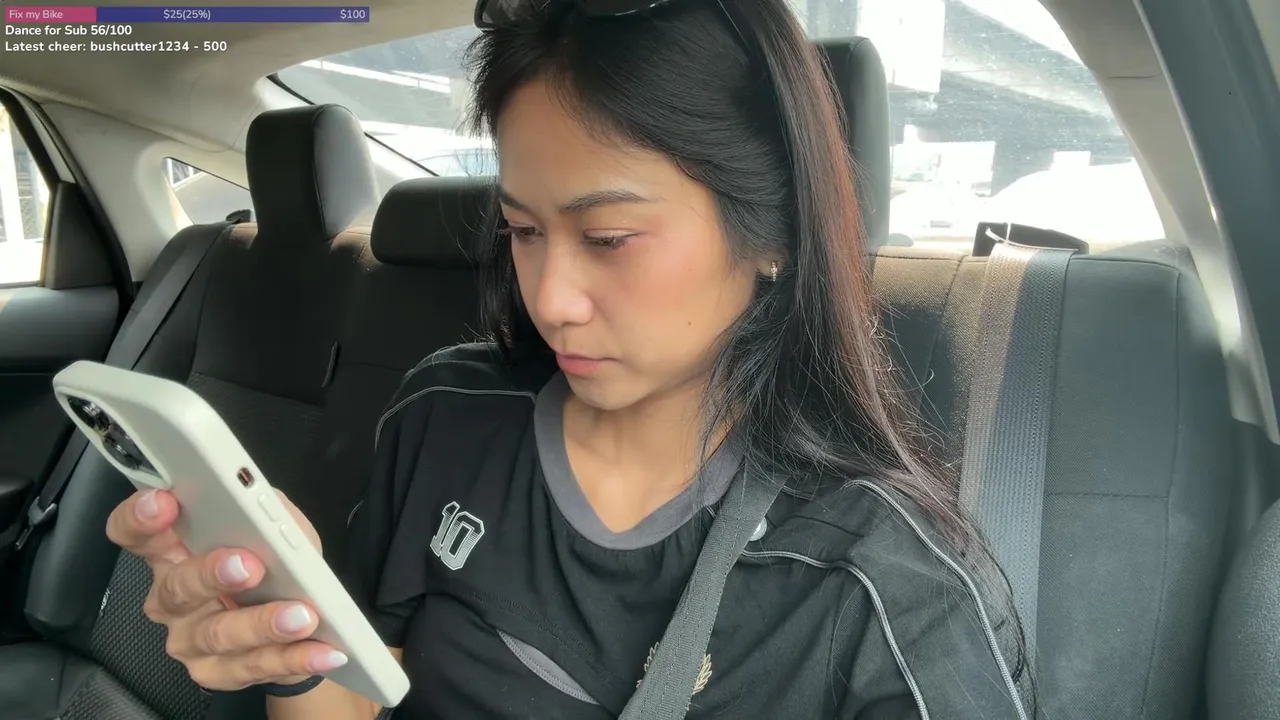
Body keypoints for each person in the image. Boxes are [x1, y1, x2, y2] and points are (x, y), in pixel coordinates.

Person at [105, 0, 1033, 717]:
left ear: (772, 234)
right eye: (521, 229)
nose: (549, 299)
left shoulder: (887, 587)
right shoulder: (444, 416)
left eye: (609, 237)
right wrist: (294, 644)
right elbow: (364, 696)